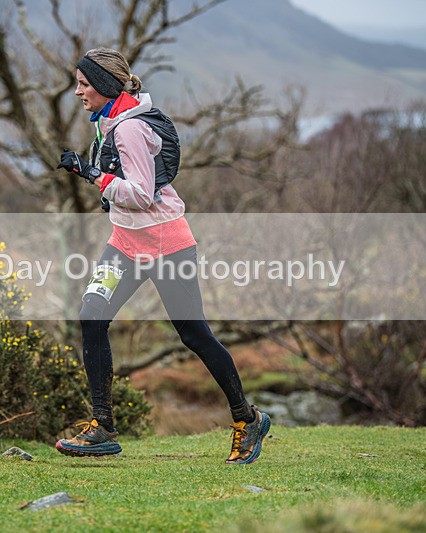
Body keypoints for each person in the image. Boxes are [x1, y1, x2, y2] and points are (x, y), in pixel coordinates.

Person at [55, 48, 270, 464]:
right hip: (125, 243)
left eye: (83, 84)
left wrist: (90, 173)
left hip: (166, 245)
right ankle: (103, 427)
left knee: (194, 336)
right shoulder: (109, 121)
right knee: (91, 316)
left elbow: (139, 193)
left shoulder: (130, 129)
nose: (77, 91)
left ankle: (248, 419)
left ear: (103, 85)